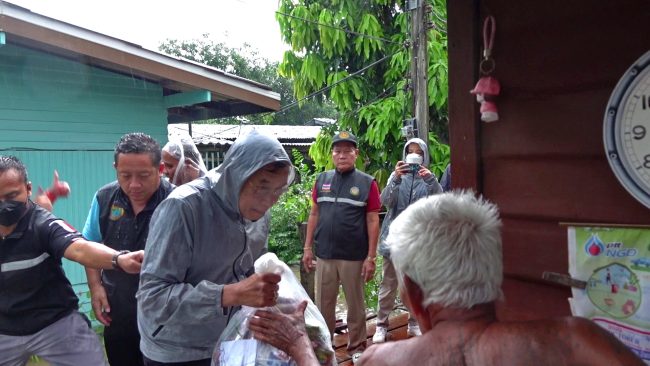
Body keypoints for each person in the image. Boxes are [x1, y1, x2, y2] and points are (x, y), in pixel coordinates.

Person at [254, 191, 645, 366]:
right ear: (494, 278)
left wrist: (301, 347)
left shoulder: (382, 361)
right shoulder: (575, 344)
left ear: (416, 294)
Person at [136, 130, 293, 365]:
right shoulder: (183, 208)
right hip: (178, 348)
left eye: (278, 190)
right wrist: (229, 294)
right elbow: (152, 298)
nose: (269, 200)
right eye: (262, 188)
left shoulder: (260, 212)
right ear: (235, 176)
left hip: (231, 340)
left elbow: (252, 270)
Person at [0, 155, 144, 366]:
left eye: (12, 196)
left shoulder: (43, 224)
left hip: (55, 323)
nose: (4, 206)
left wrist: (119, 259)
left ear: (28, 189)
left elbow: (79, 248)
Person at [83, 132, 174, 366]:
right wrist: (95, 287)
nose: (134, 185)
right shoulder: (104, 198)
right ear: (115, 168)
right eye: (125, 175)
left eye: (144, 175)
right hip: (118, 309)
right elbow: (89, 244)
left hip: (166, 314)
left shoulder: (178, 202)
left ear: (161, 168)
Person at [301, 131, 381, 362]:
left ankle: (357, 348)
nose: (342, 155)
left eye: (347, 151)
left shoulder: (367, 183)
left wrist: (371, 257)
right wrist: (307, 248)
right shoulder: (321, 180)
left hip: (353, 256)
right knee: (323, 305)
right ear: (332, 154)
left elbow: (373, 219)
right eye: (338, 151)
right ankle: (325, 348)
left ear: (355, 154)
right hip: (324, 254)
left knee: (355, 305)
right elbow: (314, 213)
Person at [373, 138, 442, 343]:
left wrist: (432, 181)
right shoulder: (396, 177)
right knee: (388, 285)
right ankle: (381, 325)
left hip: (418, 243)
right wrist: (394, 178)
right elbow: (385, 202)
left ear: (424, 156)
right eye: (410, 151)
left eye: (418, 152)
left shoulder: (429, 179)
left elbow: (439, 204)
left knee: (416, 284)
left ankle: (413, 322)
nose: (414, 155)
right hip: (392, 241)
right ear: (404, 155)